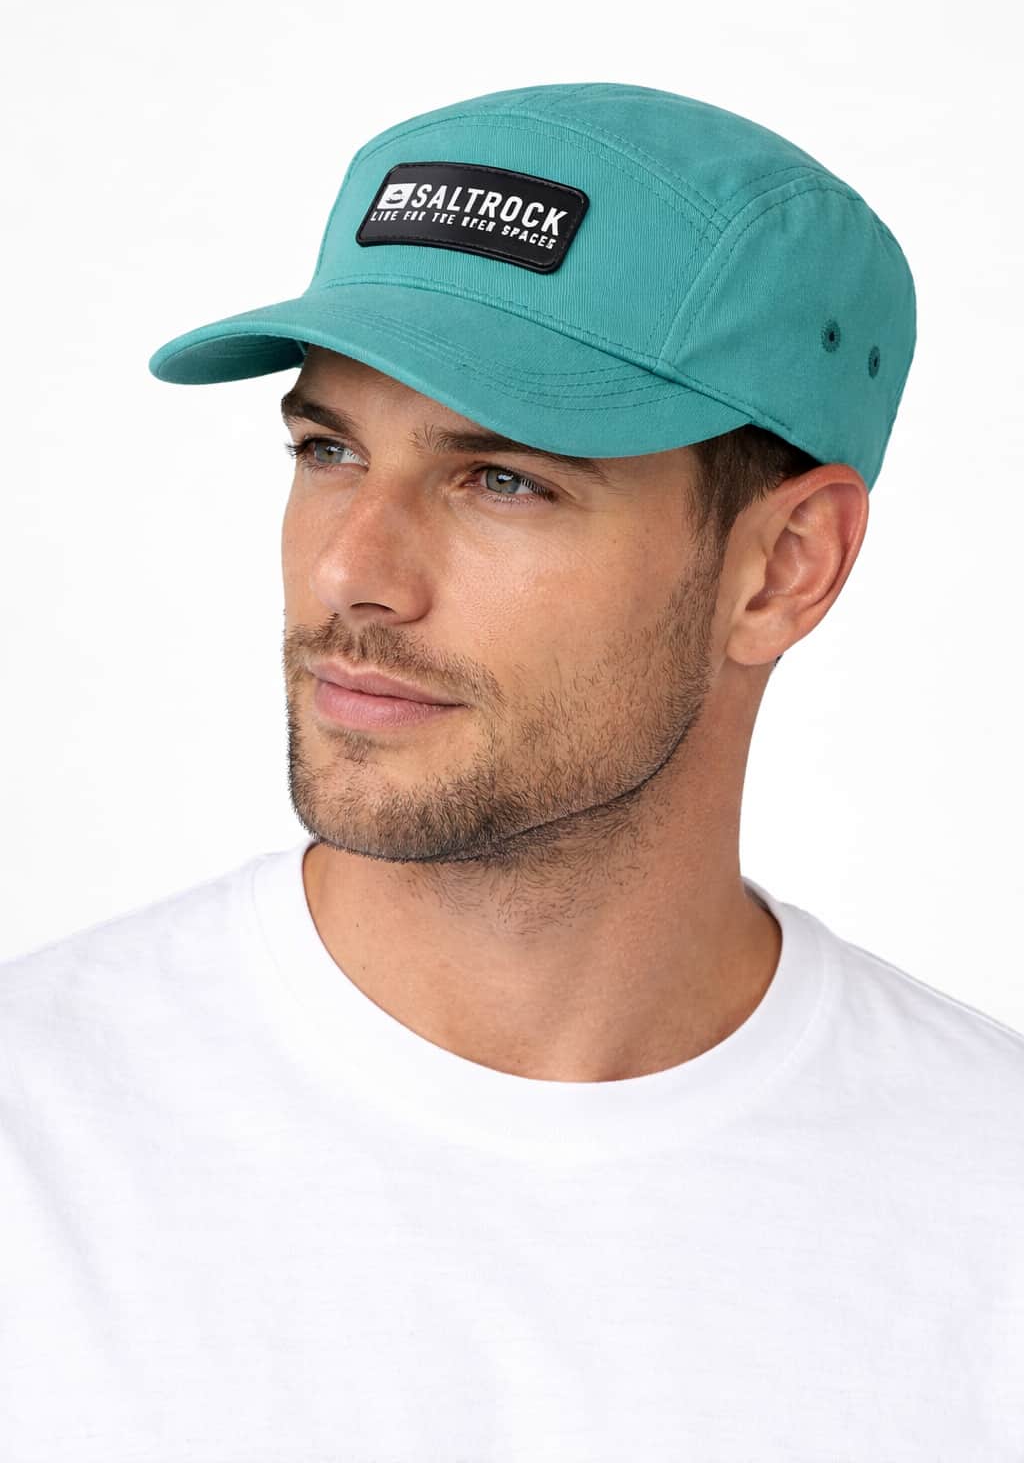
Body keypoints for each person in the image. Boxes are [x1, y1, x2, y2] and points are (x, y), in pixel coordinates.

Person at [4, 82, 1022, 1460]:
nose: (351, 571)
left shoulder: (989, 1215)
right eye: (328, 449)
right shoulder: (36, 1146)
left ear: (783, 569)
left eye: (504, 480)